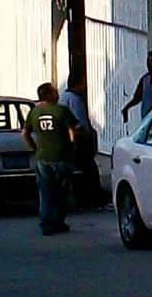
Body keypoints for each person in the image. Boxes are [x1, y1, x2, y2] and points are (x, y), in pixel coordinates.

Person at [22, 82, 76, 236]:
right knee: (62, 192)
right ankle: (58, 221)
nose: (57, 93)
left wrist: (35, 148)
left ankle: (46, 223)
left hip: (43, 157)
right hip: (62, 157)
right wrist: (72, 148)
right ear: (48, 95)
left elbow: (25, 133)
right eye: (54, 91)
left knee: (46, 192)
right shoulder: (62, 110)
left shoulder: (34, 112)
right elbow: (72, 132)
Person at [59, 73, 106, 211]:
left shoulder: (64, 97)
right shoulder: (75, 99)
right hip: (79, 139)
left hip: (73, 139)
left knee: (81, 170)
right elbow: (79, 122)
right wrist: (87, 135)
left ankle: (84, 199)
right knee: (88, 170)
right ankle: (92, 199)